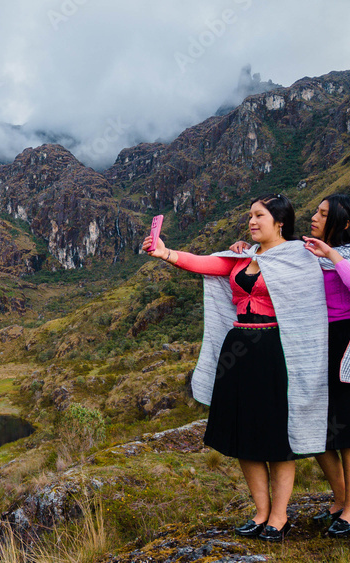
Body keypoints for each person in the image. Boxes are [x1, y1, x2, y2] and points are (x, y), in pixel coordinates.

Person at [144, 194, 328, 542]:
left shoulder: (301, 258)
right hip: (240, 350)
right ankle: (260, 511)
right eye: (250, 216)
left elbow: (321, 294)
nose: (251, 222)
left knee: (278, 436)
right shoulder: (242, 258)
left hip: (277, 351)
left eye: (259, 216)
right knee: (245, 434)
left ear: (280, 221)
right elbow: (203, 264)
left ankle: (279, 515)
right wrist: (164, 252)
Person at [230, 193, 350, 538]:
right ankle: (338, 501)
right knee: (318, 425)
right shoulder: (306, 254)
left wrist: (330, 254)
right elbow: (273, 265)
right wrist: (246, 250)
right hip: (313, 342)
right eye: (315, 212)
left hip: (347, 341)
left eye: (322, 214)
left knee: (348, 432)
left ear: (343, 223)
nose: (314, 218)